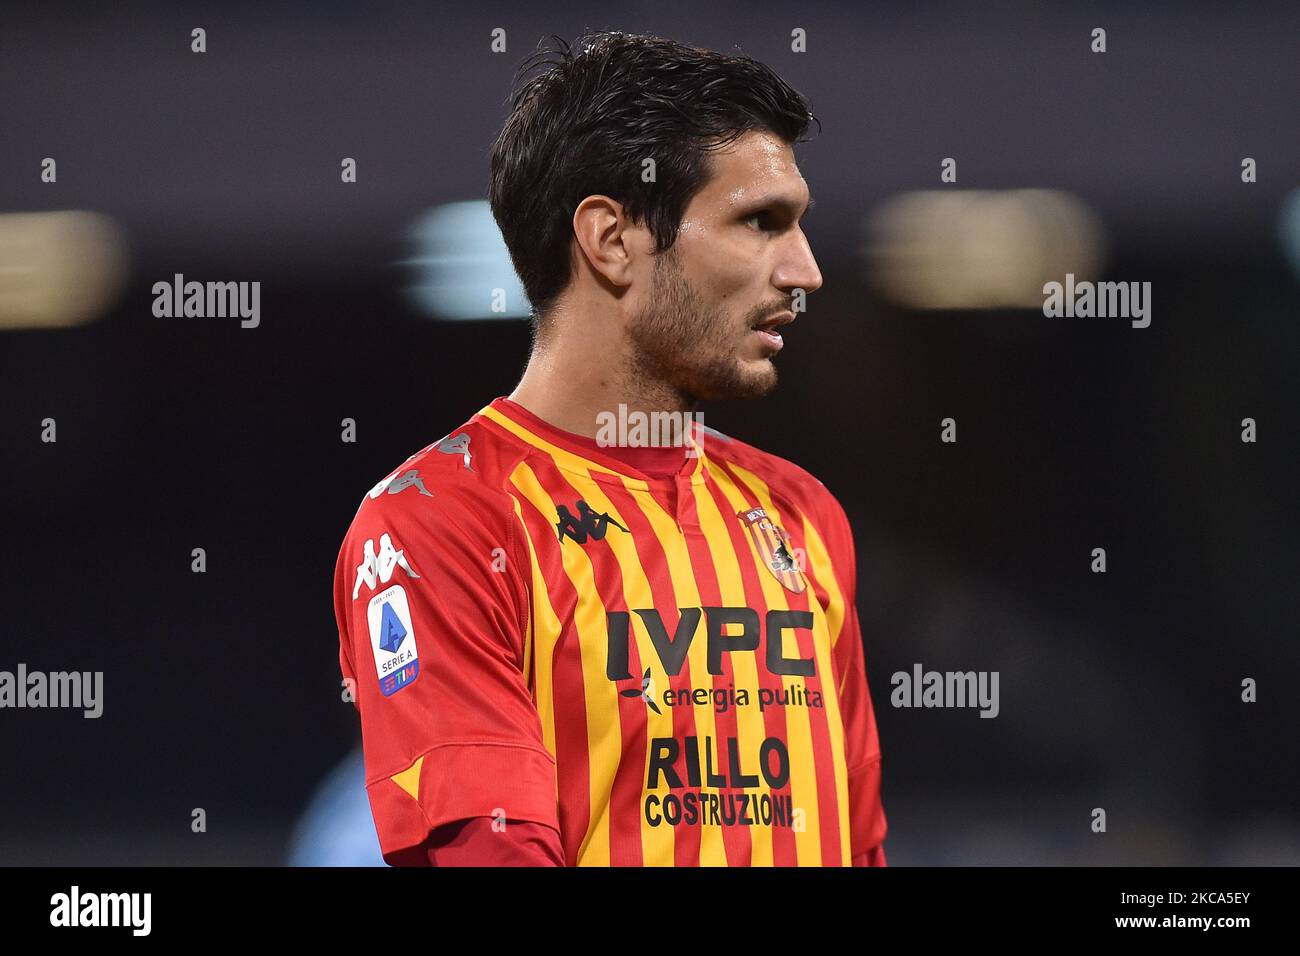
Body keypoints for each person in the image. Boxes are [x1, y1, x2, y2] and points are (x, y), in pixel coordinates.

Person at [333, 30, 887, 866]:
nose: (805, 271)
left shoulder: (803, 516)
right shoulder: (437, 525)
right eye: (759, 222)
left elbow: (857, 844)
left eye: (798, 225)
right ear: (612, 240)